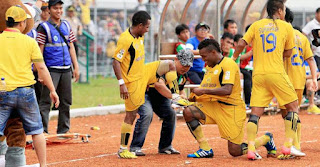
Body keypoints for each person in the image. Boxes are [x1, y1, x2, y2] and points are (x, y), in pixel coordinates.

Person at [233, 0, 305, 160]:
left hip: (258, 75)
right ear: (279, 10)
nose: (284, 12)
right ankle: (288, 145)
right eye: (284, 9)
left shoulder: (256, 25)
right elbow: (288, 53)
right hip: (277, 73)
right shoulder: (286, 27)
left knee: (255, 114)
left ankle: (251, 148)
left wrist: (234, 58)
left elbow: (240, 43)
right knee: (293, 107)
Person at [113, 11, 189, 159]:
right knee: (131, 115)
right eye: (147, 26)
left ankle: (175, 95)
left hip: (144, 73)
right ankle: (123, 149)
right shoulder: (125, 40)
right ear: (140, 25)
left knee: (170, 65)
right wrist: (121, 83)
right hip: (132, 81)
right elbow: (116, 61)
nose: (148, 29)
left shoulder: (140, 37)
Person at [184, 39, 276, 159]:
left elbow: (227, 90)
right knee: (188, 111)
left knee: (235, 151)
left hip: (231, 110)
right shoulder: (210, 67)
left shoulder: (228, 64)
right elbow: (204, 88)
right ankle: (205, 149)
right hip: (215, 106)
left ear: (213, 52)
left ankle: (266, 139)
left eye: (204, 56)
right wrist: (187, 99)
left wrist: (203, 91)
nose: (202, 59)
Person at [0, 5, 59, 167]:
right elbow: (41, 68)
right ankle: (43, 164)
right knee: (37, 131)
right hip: (26, 91)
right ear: (22, 23)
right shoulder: (29, 41)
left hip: (3, 91)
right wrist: (52, 90)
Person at [130, 50, 194, 156]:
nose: (185, 67)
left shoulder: (183, 75)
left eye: (188, 65)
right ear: (176, 60)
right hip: (144, 91)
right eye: (183, 64)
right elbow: (159, 85)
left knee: (170, 115)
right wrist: (174, 97)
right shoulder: (167, 68)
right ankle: (135, 147)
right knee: (147, 114)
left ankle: (165, 146)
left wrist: (183, 98)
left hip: (161, 97)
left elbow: (180, 89)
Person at [279, 7, 318, 158]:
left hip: (284, 80)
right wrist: (313, 78)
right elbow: (311, 60)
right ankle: (296, 145)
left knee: (288, 114)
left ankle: (293, 146)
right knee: (292, 113)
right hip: (298, 79)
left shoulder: (282, 34)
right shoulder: (301, 37)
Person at [37, 0, 80, 134]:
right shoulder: (43, 27)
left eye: (61, 8)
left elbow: (71, 47)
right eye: (56, 8)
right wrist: (40, 72)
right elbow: (39, 51)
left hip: (66, 69)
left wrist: (76, 67)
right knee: (45, 101)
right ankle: (43, 130)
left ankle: (63, 130)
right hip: (51, 70)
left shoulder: (67, 25)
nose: (59, 11)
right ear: (49, 10)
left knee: (66, 101)